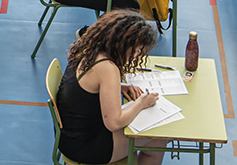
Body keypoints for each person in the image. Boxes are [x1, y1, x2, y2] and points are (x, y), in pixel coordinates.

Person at [55, 10, 167, 165]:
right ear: (123, 43)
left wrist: (118, 86)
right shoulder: (107, 67)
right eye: (136, 49)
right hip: (85, 147)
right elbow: (114, 123)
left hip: (68, 137)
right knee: (158, 139)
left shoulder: (89, 47)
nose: (136, 55)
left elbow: (86, 85)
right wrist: (141, 103)